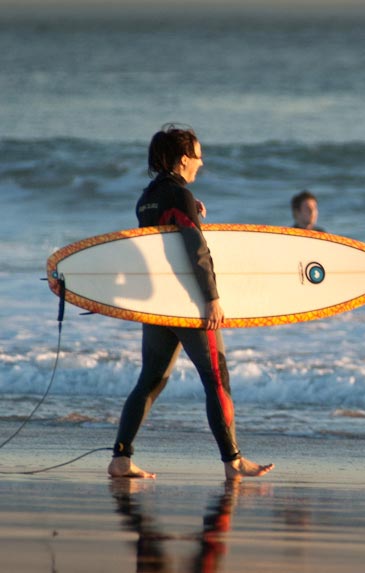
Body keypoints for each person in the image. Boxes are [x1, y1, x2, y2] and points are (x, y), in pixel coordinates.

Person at [108, 124, 274, 480]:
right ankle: (234, 462)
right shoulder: (178, 197)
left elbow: (158, 248)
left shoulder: (147, 198)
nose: (201, 162)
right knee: (216, 379)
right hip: (188, 304)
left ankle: (121, 458)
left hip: (158, 306)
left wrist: (189, 208)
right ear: (184, 159)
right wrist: (212, 299)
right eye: (198, 155)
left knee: (150, 380)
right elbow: (195, 251)